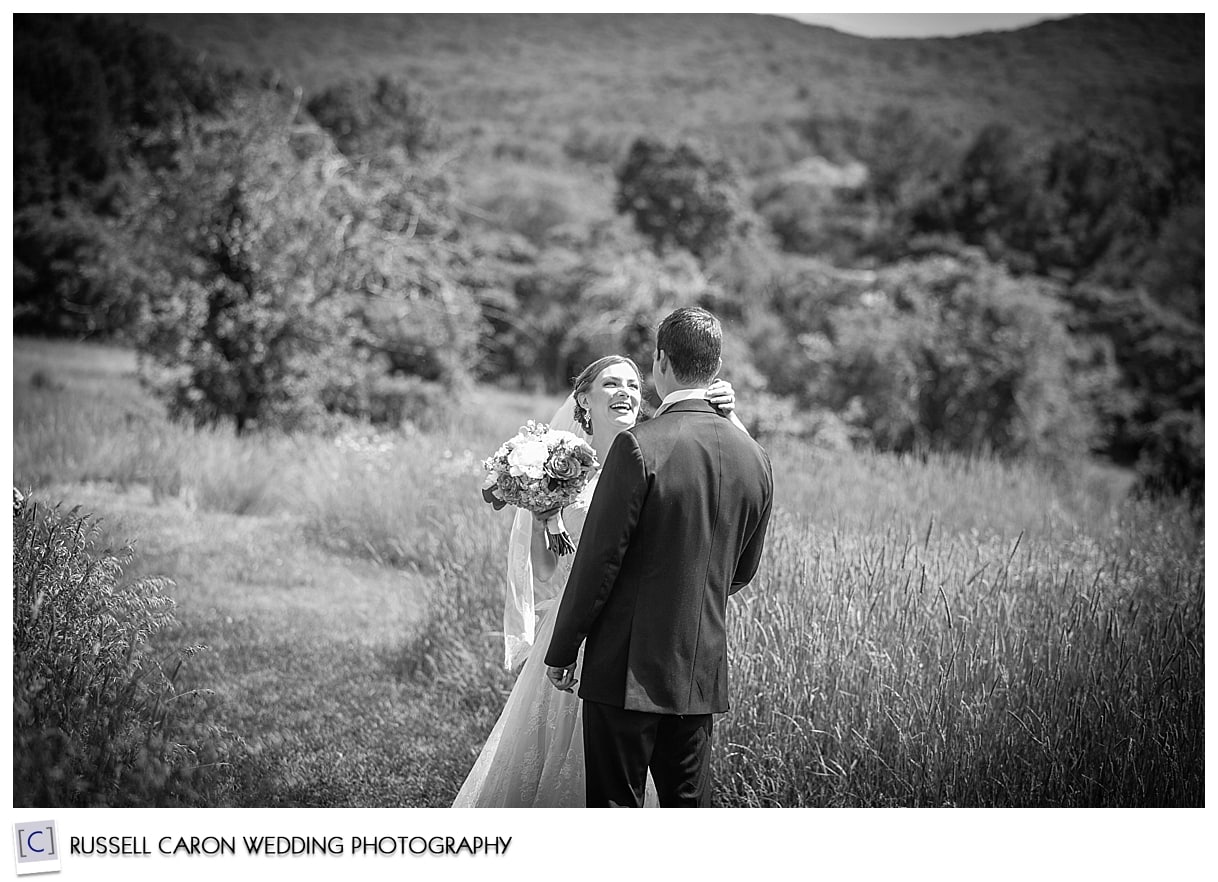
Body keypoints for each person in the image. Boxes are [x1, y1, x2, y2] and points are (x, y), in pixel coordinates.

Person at [452, 353, 743, 807]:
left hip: (642, 638)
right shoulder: (559, 473)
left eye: (632, 383)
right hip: (576, 629)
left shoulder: (657, 455)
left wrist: (729, 416)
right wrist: (543, 515)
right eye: (610, 384)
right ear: (583, 400)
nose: (625, 391)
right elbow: (548, 571)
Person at [544, 307, 774, 808]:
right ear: (714, 366)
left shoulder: (638, 447)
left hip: (625, 669)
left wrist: (563, 650)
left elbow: (598, 566)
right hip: (699, 670)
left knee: (615, 809)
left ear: (661, 361)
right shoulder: (755, 457)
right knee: (686, 811)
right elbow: (742, 571)